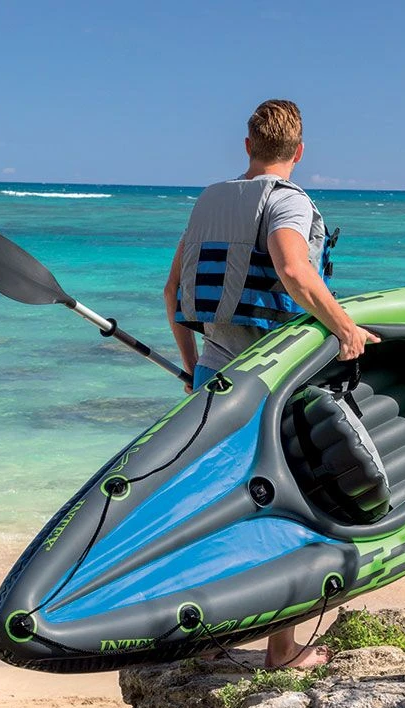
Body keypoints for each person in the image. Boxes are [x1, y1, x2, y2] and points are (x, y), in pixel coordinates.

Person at [163, 99, 379, 669]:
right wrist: (346, 328)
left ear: (247, 146)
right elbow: (292, 268)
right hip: (272, 374)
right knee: (292, 504)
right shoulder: (289, 201)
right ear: (299, 151)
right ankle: (282, 651)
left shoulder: (210, 201)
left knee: (218, 505)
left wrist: (192, 369)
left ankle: (202, 631)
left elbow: (172, 291)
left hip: (214, 372)